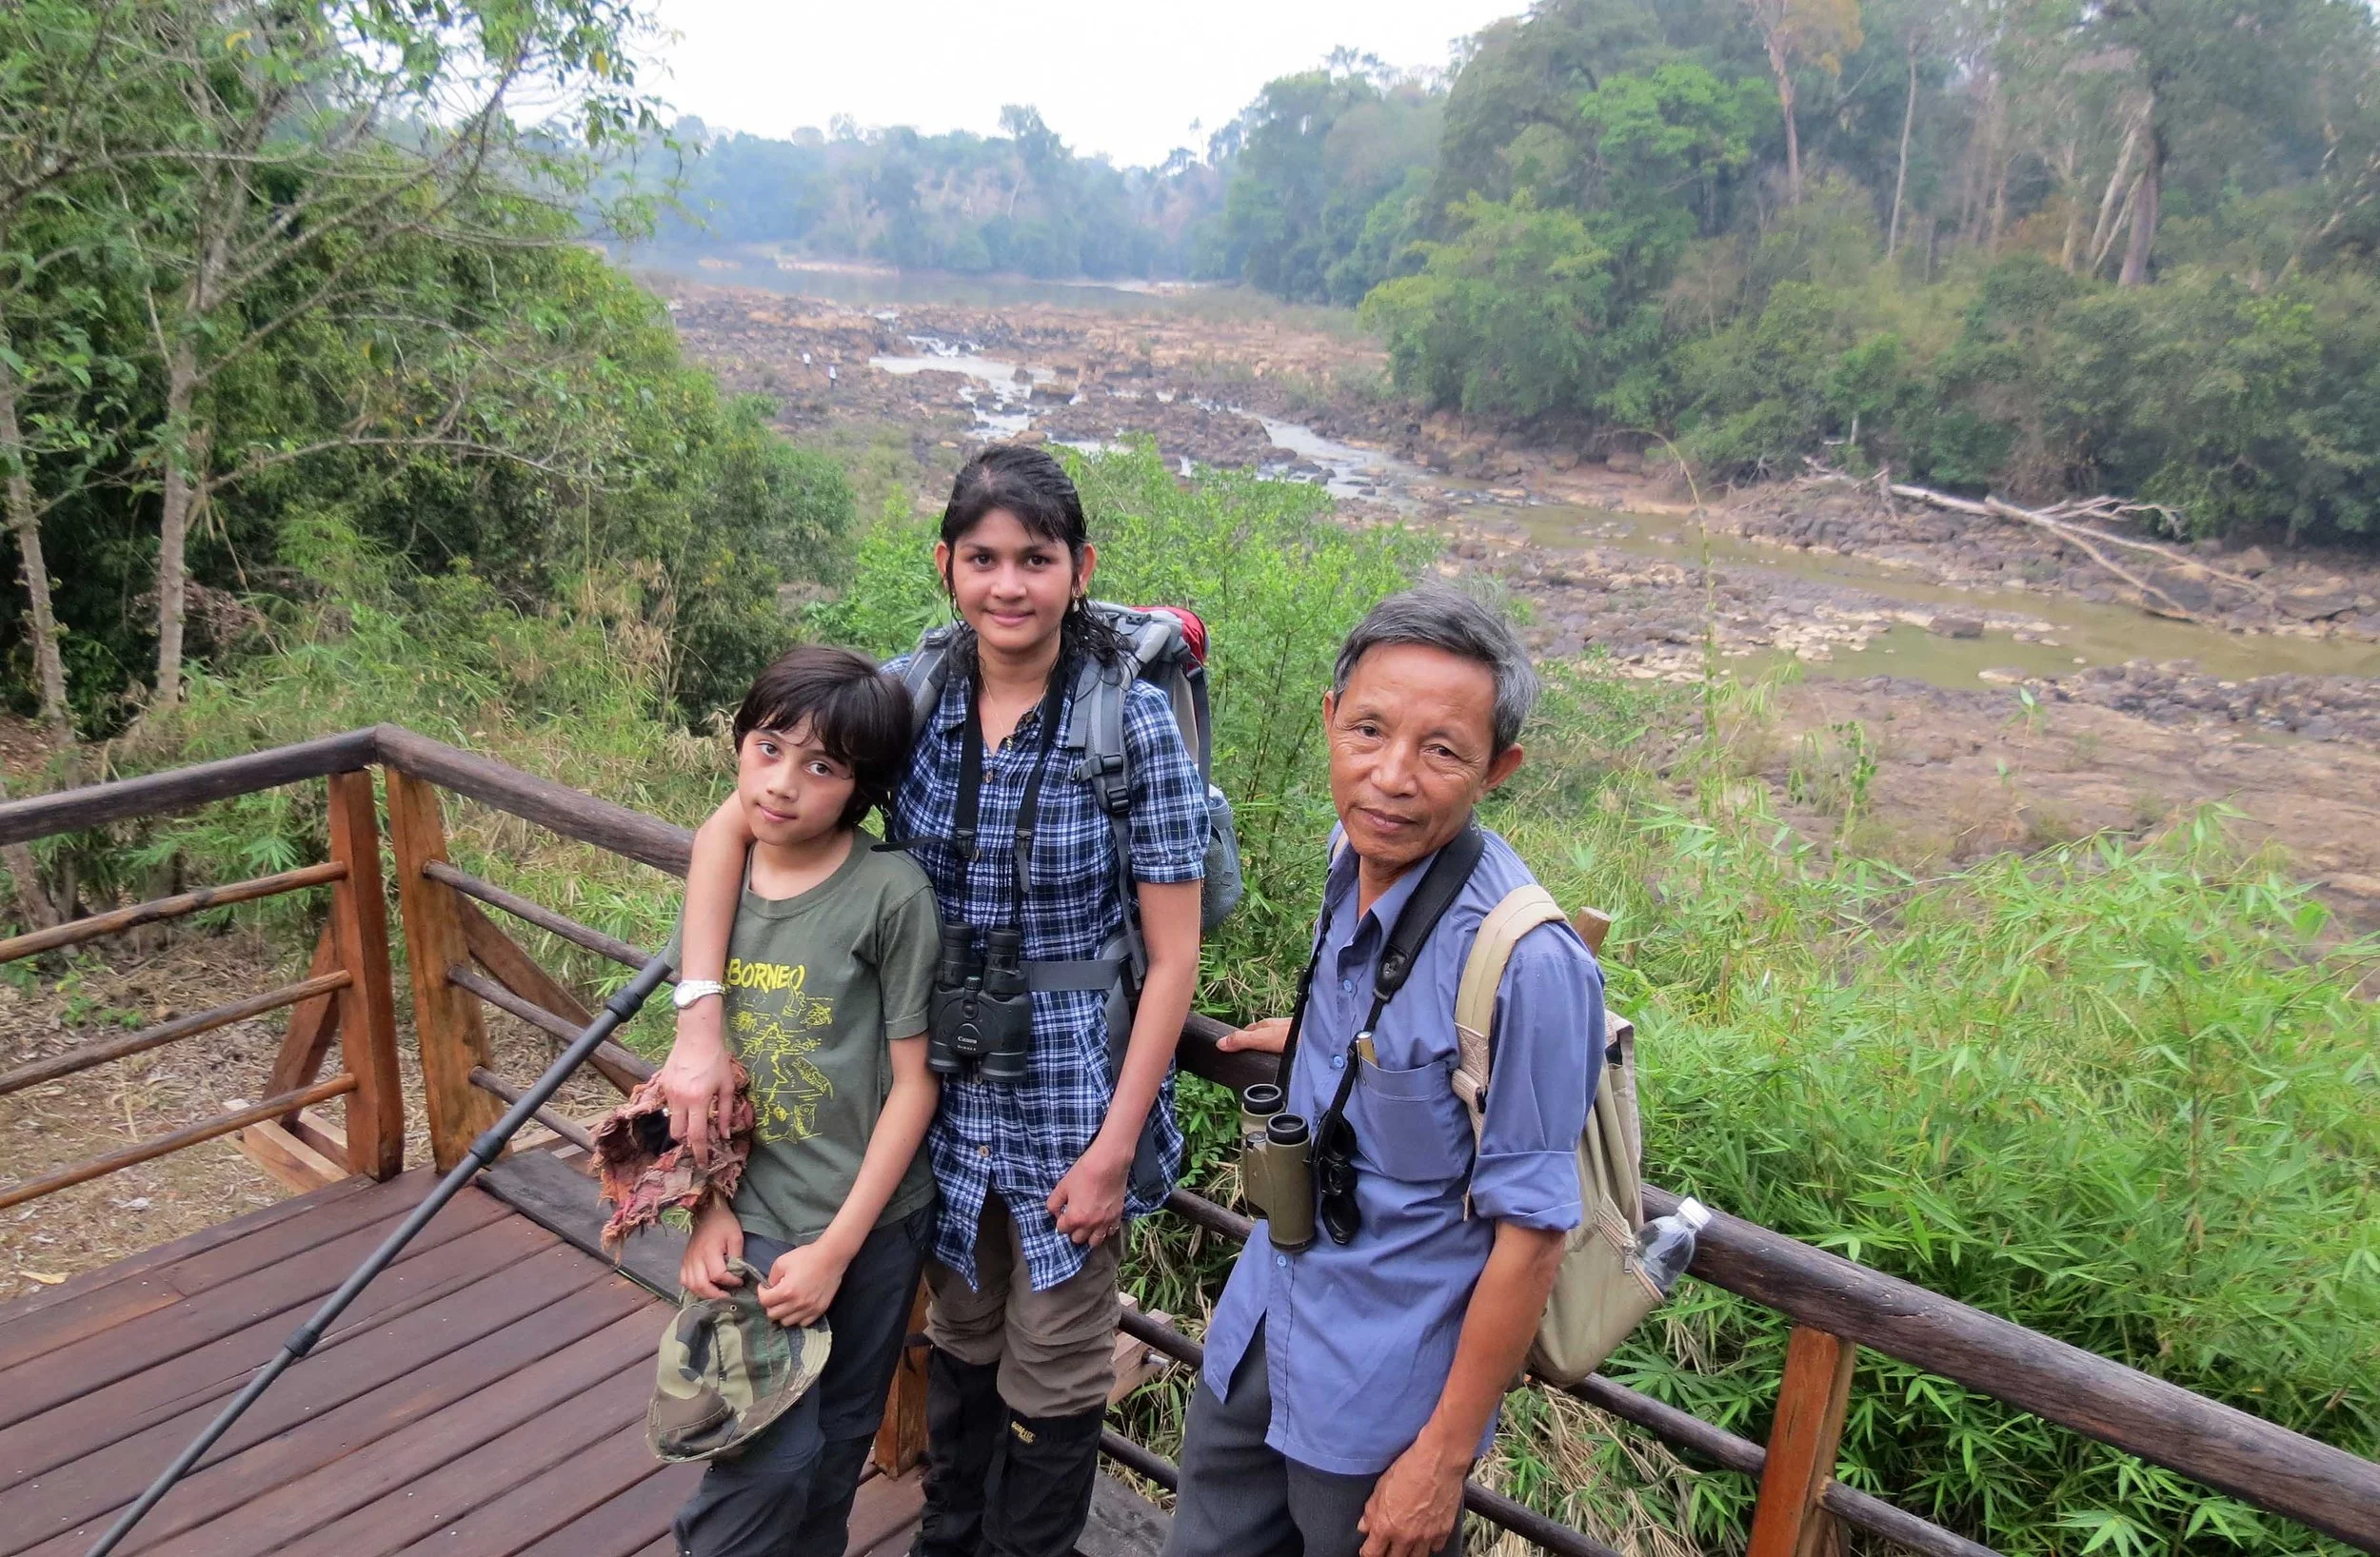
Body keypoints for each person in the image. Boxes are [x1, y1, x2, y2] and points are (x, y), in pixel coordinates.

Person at [660, 443, 1209, 1557]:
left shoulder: (1129, 721)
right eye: (983, 557)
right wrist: (698, 1019)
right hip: (942, 1082)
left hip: (1067, 1082)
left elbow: (1173, 957)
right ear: (946, 565)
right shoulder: (913, 695)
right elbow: (735, 818)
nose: (1008, 583)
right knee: (957, 1332)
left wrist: (1112, 1149)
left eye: (1036, 559)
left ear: (1080, 568)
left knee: (1053, 1361)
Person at [1168, 585, 1602, 1557]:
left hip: (1382, 1396)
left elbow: (1531, 1237)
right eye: (1367, 729)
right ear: (1329, 721)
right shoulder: (1348, 850)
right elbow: (1378, 1024)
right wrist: (1320, 1046)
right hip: (1263, 1320)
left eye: (1441, 749)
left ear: (1500, 767)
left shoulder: (1529, 963)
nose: (1391, 776)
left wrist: (1441, 1460)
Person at [656, 644, 946, 1557]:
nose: (783, 784)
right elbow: (697, 1078)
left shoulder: (889, 893)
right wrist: (705, 1209)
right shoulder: (723, 887)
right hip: (757, 1222)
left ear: (858, 788)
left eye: (822, 767)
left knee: (838, 1445)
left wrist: (840, 1249)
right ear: (739, 745)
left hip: (870, 1224)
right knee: (761, 1454)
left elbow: (915, 1084)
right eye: (769, 748)